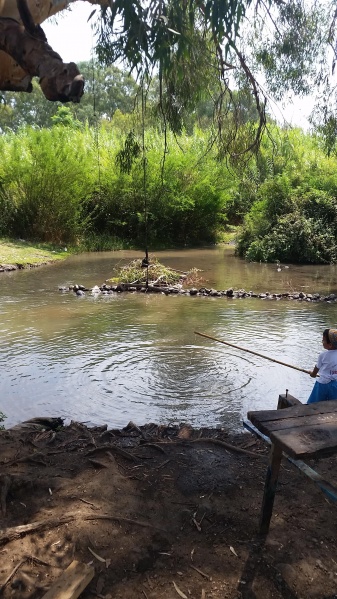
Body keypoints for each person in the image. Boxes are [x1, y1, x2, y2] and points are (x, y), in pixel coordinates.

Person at [307, 328, 337, 403]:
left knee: (314, 404)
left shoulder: (323, 355)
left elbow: (317, 368)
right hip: (335, 385)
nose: (322, 342)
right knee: (333, 404)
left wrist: (312, 374)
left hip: (322, 384)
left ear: (330, 345)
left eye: (323, 340)